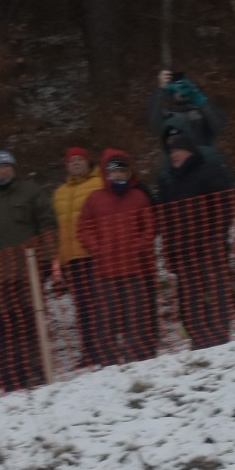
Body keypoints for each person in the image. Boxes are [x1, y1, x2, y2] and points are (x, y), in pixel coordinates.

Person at [0, 150, 57, 389]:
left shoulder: (31, 192)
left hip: (28, 274)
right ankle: (11, 375)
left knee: (31, 323)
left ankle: (36, 369)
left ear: (14, 168)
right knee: (5, 327)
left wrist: (47, 259)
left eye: (6, 166)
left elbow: (47, 224)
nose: (3, 170)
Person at [152, 130, 235, 349]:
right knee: (190, 296)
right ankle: (198, 338)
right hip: (182, 249)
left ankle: (219, 335)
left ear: (189, 150)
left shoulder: (209, 171)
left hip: (209, 245)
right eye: (171, 152)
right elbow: (166, 219)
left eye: (178, 150)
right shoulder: (168, 181)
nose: (174, 155)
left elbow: (224, 206)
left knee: (215, 291)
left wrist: (218, 236)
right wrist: (169, 250)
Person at [76, 150, 159, 365]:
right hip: (105, 271)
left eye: (122, 171)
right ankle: (109, 360)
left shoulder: (139, 197)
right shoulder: (95, 198)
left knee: (136, 314)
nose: (118, 175)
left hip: (134, 269)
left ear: (129, 173)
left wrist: (138, 247)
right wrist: (98, 249)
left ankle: (138, 355)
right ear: (106, 174)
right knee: (106, 317)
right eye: (114, 172)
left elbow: (150, 226)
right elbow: (83, 228)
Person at [48, 148, 108, 359]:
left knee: (99, 302)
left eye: (80, 159)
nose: (75, 163)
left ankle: (104, 347)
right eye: (72, 160)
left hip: (94, 254)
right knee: (82, 305)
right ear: (66, 165)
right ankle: (88, 350)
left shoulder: (100, 183)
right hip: (72, 258)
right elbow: (58, 228)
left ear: (87, 162)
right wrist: (59, 258)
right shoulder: (59, 193)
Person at [149, 71, 226, 152]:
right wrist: (161, 89)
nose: (181, 90)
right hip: (177, 158)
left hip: (203, 157)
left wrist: (198, 97)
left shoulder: (203, 111)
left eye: (184, 85)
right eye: (176, 86)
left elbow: (219, 125)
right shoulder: (168, 115)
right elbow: (155, 123)